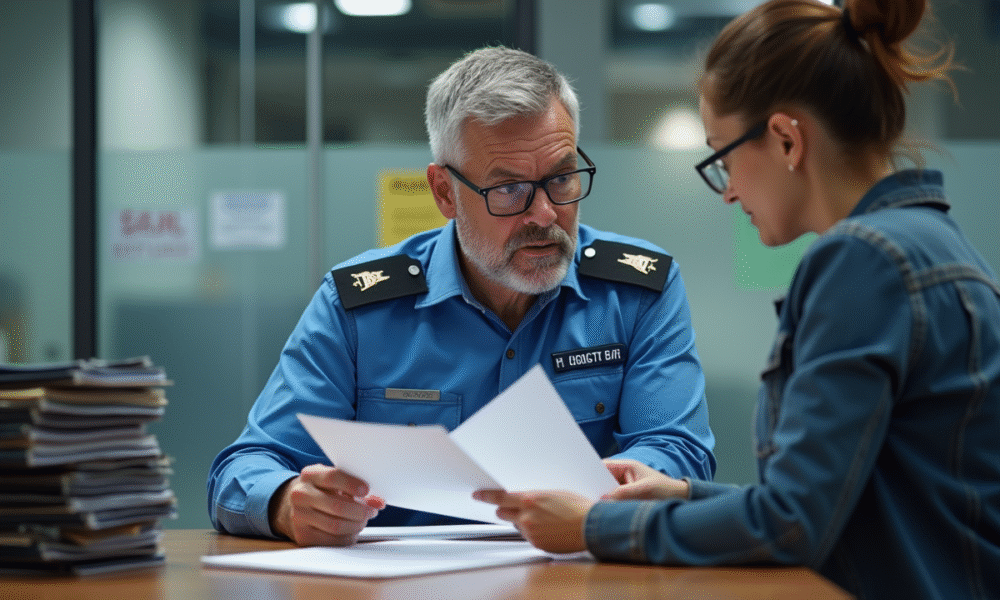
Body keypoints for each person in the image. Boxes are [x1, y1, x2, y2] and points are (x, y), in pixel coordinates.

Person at [474, 1, 1000, 599]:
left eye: (722, 157)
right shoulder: (928, 242)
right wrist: (681, 495)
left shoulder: (864, 261)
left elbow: (792, 525)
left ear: (784, 138)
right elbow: (840, 502)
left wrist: (592, 525)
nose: (727, 195)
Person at [207, 46, 716, 547]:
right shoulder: (360, 308)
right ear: (444, 193)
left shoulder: (636, 291)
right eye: (509, 189)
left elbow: (677, 451)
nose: (543, 214)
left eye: (561, 177)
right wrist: (285, 503)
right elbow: (246, 466)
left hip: (579, 575)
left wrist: (606, 499)